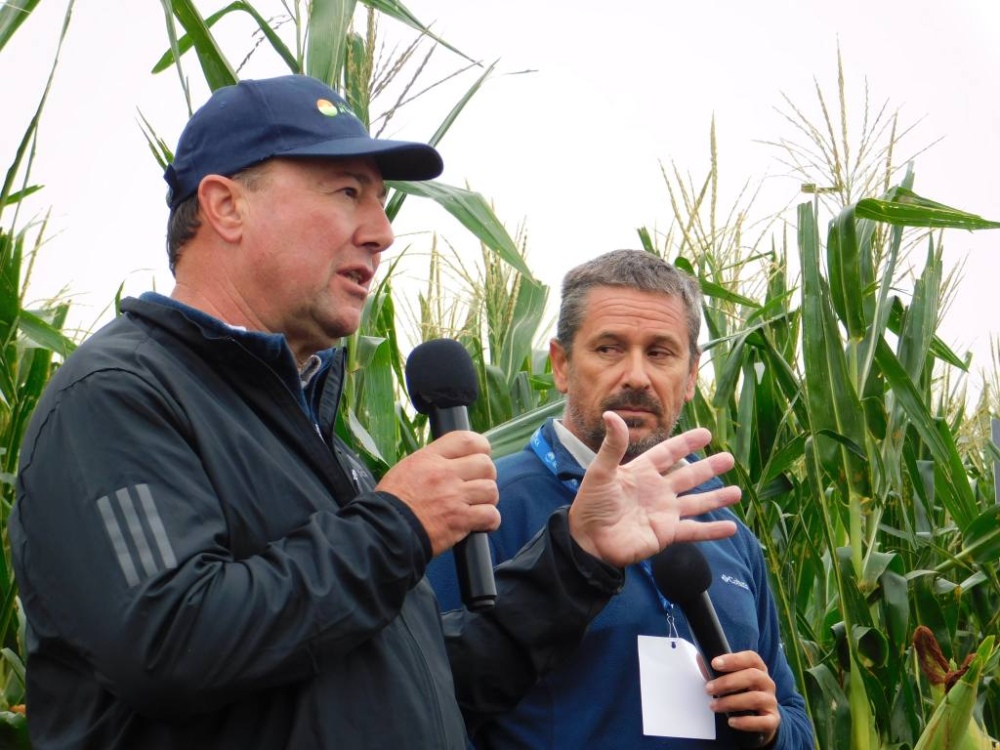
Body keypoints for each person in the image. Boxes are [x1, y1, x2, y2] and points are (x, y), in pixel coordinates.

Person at [8, 76, 743, 749]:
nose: (382, 232)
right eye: (347, 193)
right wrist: (397, 523)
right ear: (225, 205)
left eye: (383, 204)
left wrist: (577, 559)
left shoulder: (307, 435)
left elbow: (424, 686)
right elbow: (166, 642)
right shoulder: (119, 398)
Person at [428, 249, 815, 749]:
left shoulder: (726, 532)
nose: (636, 376)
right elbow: (418, 701)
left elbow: (797, 721)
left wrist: (774, 730)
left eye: (660, 352)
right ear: (562, 365)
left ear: (692, 374)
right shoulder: (480, 508)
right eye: (609, 349)